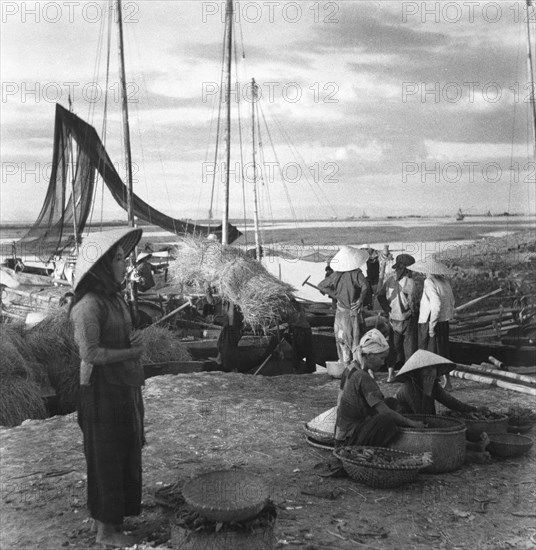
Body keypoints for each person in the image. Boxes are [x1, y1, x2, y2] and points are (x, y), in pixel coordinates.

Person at [70, 228, 145, 548]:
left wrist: (134, 340)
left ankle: (115, 521)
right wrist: (131, 352)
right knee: (105, 458)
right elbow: (90, 353)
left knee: (125, 451)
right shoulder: (88, 306)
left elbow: (124, 335)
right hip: (99, 391)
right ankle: (104, 532)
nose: (125, 264)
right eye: (117, 259)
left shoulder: (115, 299)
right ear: (101, 264)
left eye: (124, 258)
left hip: (122, 385)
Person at [335, 331, 423, 448]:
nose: (383, 363)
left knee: (391, 402)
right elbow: (384, 412)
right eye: (381, 358)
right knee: (387, 421)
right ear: (369, 355)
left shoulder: (350, 368)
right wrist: (412, 423)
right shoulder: (362, 377)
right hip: (349, 437)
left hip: (341, 432)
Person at [317, 246, 370, 367]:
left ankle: (346, 366)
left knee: (342, 339)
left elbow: (321, 286)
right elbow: (365, 286)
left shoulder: (336, 275)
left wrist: (334, 295)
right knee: (356, 340)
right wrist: (360, 300)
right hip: (352, 312)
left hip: (340, 312)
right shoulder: (356, 273)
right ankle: (357, 366)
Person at [408, 258, 456, 390]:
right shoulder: (444, 281)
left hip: (430, 320)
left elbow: (436, 304)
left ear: (427, 272)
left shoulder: (429, 282)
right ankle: (447, 381)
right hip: (443, 320)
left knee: (429, 352)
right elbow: (452, 301)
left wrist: (431, 326)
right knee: (442, 350)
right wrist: (446, 316)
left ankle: (430, 383)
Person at [393, 350, 484, 418]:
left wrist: (474, 409)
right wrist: (427, 392)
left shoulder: (434, 385)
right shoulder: (409, 386)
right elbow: (423, 416)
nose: (430, 372)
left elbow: (450, 401)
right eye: (426, 369)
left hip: (422, 419)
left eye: (433, 368)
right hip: (407, 421)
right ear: (417, 372)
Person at [377, 254, 418, 383]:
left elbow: (380, 295)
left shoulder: (390, 280)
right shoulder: (409, 282)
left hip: (393, 318)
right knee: (409, 347)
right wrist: (414, 312)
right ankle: (410, 375)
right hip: (406, 318)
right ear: (407, 269)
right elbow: (412, 302)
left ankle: (390, 375)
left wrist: (387, 310)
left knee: (393, 347)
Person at [360, 245, 379, 309]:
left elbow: (373, 260)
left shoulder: (375, 256)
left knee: (375, 293)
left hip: (375, 278)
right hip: (371, 277)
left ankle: (373, 305)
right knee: (369, 292)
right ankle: (370, 305)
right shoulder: (369, 256)